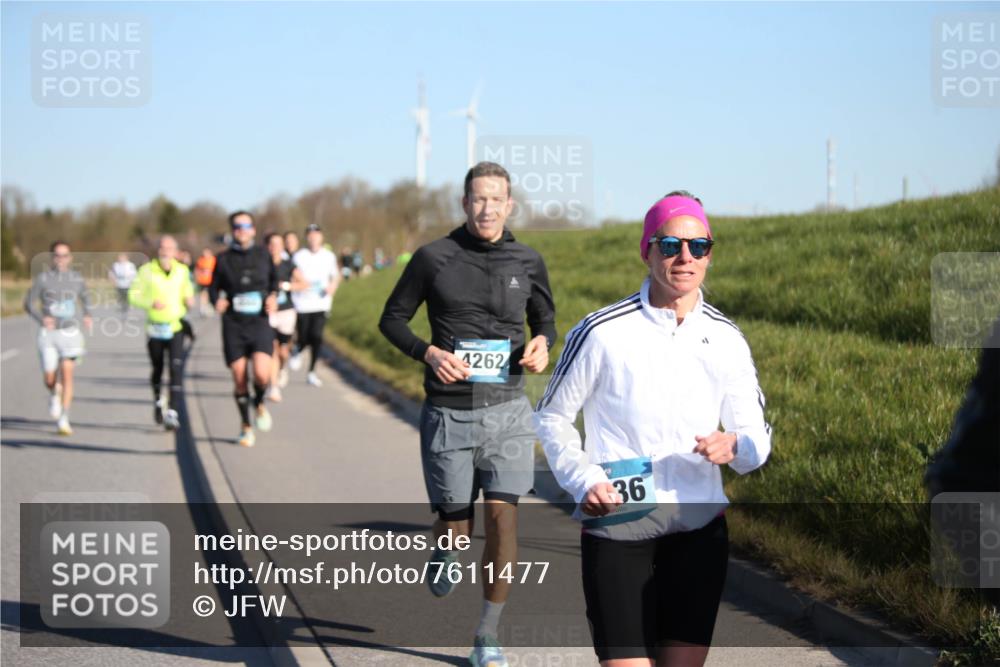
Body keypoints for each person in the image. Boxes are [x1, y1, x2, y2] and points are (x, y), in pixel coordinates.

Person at [533, 191, 772, 666]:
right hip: (620, 523)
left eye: (698, 246)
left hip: (698, 527)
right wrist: (585, 480)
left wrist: (736, 444)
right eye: (670, 245)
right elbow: (552, 417)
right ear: (647, 250)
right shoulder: (601, 331)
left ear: (709, 254)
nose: (685, 258)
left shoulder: (726, 338)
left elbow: (756, 437)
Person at [379, 161, 556, 667]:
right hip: (449, 413)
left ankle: (487, 634)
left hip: (507, 411)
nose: (486, 208)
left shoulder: (528, 259)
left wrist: (543, 341)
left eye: (495, 199)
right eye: (478, 199)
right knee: (457, 524)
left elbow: (544, 316)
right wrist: (428, 352)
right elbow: (391, 319)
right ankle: (444, 546)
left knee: (503, 522)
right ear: (464, 203)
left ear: (509, 205)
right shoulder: (433, 257)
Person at [209, 211, 278, 447]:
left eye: (246, 225)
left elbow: (274, 282)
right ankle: (246, 427)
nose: (242, 230)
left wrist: (273, 297)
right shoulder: (223, 259)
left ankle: (258, 403)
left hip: (259, 321)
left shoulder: (263, 255)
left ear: (253, 229)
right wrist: (215, 301)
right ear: (232, 230)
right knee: (239, 377)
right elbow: (212, 288)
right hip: (234, 324)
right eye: (237, 226)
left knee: (261, 373)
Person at [24, 240, 93, 435]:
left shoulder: (77, 279)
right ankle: (54, 392)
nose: (61, 259)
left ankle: (64, 418)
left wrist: (88, 314)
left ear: (70, 258)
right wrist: (41, 318)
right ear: (52, 257)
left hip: (70, 333)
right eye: (57, 255)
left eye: (64, 255)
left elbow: (86, 298)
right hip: (49, 334)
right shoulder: (43, 279)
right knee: (49, 378)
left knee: (68, 374)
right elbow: (28, 303)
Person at [128, 235, 195, 430]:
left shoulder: (182, 271)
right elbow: (133, 296)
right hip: (155, 327)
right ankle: (158, 400)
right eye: (162, 248)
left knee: (175, 367)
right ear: (158, 251)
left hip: (175, 326)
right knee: (158, 368)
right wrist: (150, 303)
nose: (165, 251)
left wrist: (189, 300)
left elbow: (188, 291)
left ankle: (173, 411)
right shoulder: (147, 270)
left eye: (169, 248)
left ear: (176, 252)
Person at [288, 223, 340, 386]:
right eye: (310, 235)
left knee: (317, 337)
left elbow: (336, 276)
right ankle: (297, 349)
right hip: (303, 302)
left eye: (316, 235)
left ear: (321, 237)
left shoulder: (329, 256)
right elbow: (291, 276)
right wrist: (302, 283)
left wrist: (332, 287)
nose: (313, 238)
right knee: (304, 336)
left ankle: (311, 372)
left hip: (322, 302)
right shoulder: (299, 256)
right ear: (307, 238)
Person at [264, 232, 305, 402]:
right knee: (272, 348)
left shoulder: (288, 265)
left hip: (287, 311)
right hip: (269, 312)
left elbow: (304, 283)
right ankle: (274, 388)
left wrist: (287, 286)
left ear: (282, 246)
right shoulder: (262, 265)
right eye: (271, 244)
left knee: (283, 351)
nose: (274, 247)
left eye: (278, 244)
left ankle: (282, 369)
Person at [194, 248, 217, 317]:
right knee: (203, 294)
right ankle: (203, 308)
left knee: (210, 293)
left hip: (211, 281)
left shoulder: (213, 260)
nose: (205, 254)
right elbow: (197, 269)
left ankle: (210, 306)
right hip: (203, 281)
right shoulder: (201, 260)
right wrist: (197, 276)